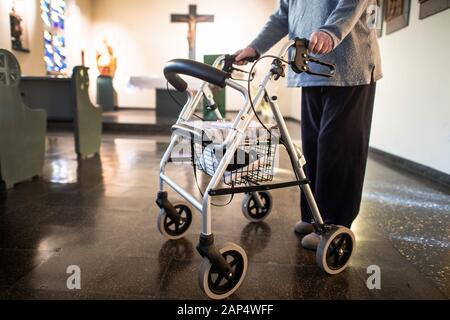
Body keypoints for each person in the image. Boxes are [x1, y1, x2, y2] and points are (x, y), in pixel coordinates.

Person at [235, 0, 382, 250]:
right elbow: (283, 15)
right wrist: (255, 47)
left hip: (350, 65)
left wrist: (331, 31)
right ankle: (315, 216)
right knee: (312, 148)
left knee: (337, 147)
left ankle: (334, 223)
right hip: (312, 68)